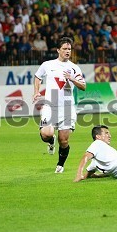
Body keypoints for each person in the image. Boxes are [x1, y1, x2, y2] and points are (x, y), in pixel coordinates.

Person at [33, 36, 86, 173]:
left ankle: (60, 165)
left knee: (63, 140)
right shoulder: (48, 65)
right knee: (46, 133)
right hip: (50, 105)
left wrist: (72, 79)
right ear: (58, 50)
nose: (67, 51)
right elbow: (38, 76)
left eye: (69, 49)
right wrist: (36, 92)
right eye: (65, 49)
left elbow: (83, 86)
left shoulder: (75, 68)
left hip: (67, 108)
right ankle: (51, 141)